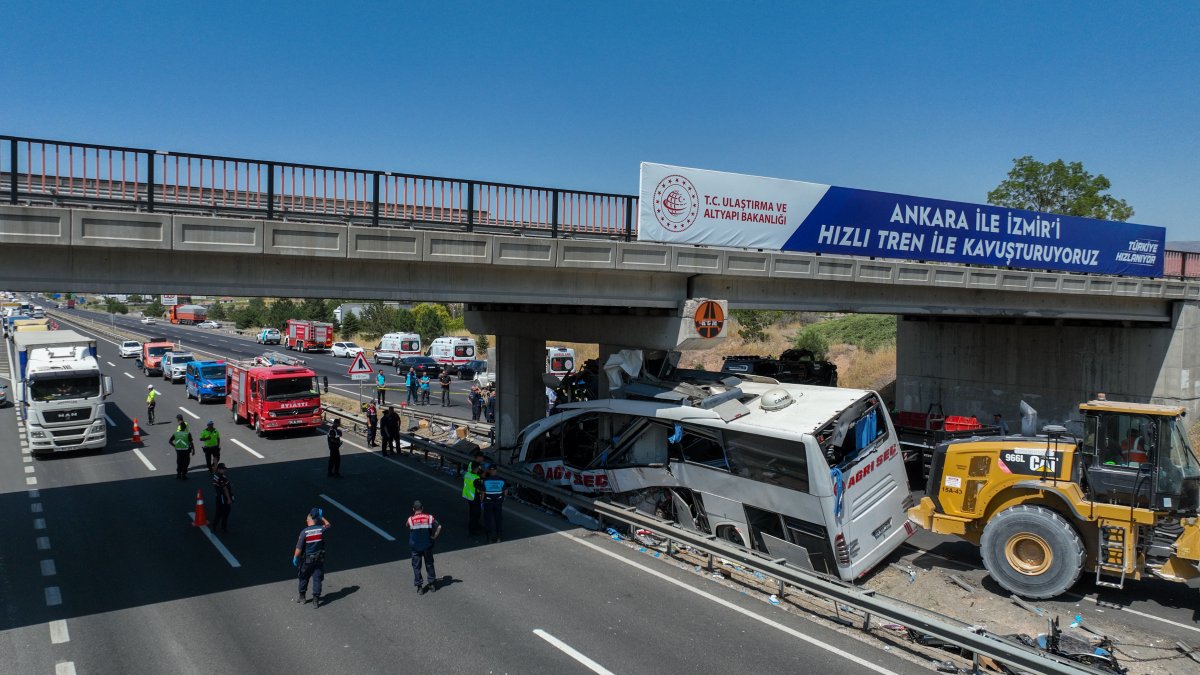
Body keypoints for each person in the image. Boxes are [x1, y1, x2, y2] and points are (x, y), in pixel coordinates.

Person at [293, 508, 331, 607]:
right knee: (317, 578)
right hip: (319, 560)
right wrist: (321, 517)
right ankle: (316, 600)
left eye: (307, 519)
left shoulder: (304, 532)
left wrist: (295, 557)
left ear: (309, 520)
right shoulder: (320, 529)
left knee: (303, 577)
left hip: (307, 561)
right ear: (317, 519)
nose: (306, 520)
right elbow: (328, 525)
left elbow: (299, 548)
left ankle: (302, 597)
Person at [406, 500, 442, 593]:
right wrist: (434, 536)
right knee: (429, 564)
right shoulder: (429, 518)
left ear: (413, 509)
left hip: (415, 547)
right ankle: (431, 584)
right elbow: (439, 527)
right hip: (427, 546)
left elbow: (407, 525)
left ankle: (419, 587)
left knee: (416, 566)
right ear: (422, 508)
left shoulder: (411, 519)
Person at [481, 464, 506, 543]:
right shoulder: (501, 480)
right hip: (498, 502)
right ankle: (499, 538)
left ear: (489, 471)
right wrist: (503, 498)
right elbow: (505, 491)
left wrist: (482, 501)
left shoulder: (486, 481)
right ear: (496, 470)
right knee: (498, 519)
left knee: (488, 520)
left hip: (488, 502)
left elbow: (483, 493)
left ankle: (489, 539)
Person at [170, 415, 194, 479]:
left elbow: (170, 441)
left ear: (180, 427)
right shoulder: (188, 434)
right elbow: (191, 442)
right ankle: (183, 475)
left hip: (178, 450)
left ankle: (178, 474)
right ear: (185, 427)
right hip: (186, 450)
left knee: (179, 462)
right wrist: (193, 450)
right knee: (186, 462)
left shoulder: (176, 433)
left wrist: (175, 446)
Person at [462, 459, 483, 535]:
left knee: (472, 513)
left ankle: (474, 526)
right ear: (476, 468)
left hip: (469, 497)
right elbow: (480, 489)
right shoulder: (476, 478)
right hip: (475, 497)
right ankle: (472, 529)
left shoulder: (467, 474)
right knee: (476, 514)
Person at [211, 462, 233, 533]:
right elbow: (225, 489)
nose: (224, 470)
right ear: (219, 470)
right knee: (225, 512)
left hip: (218, 497)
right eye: (223, 469)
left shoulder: (215, 476)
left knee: (218, 513)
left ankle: (214, 527)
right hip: (224, 498)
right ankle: (223, 527)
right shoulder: (222, 478)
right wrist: (229, 499)